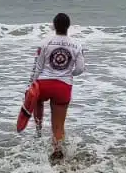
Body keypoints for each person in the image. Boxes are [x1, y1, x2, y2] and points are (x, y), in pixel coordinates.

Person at [28, 12, 86, 159]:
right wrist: (69, 74)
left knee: (38, 100)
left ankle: (39, 129)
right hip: (63, 86)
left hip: (44, 84)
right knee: (58, 124)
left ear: (54, 26)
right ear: (68, 27)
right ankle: (57, 148)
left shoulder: (44, 43)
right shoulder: (77, 45)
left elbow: (37, 67)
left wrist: (31, 85)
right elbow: (80, 68)